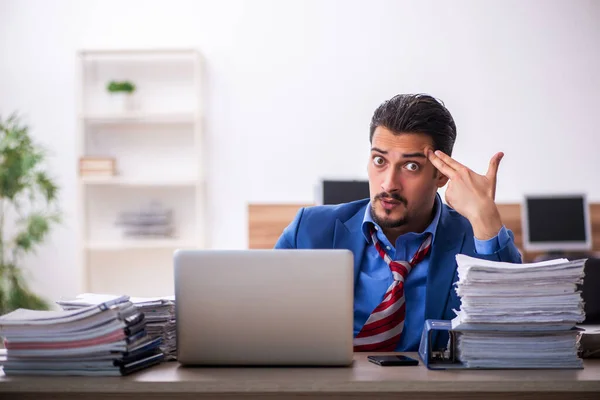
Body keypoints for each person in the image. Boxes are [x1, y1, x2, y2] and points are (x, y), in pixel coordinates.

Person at [274, 94, 522, 352]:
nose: (389, 183)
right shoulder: (310, 230)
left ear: (441, 175)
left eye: (411, 166)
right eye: (380, 161)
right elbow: (264, 319)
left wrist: (485, 217)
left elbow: (518, 331)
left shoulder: (476, 239)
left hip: (431, 392)